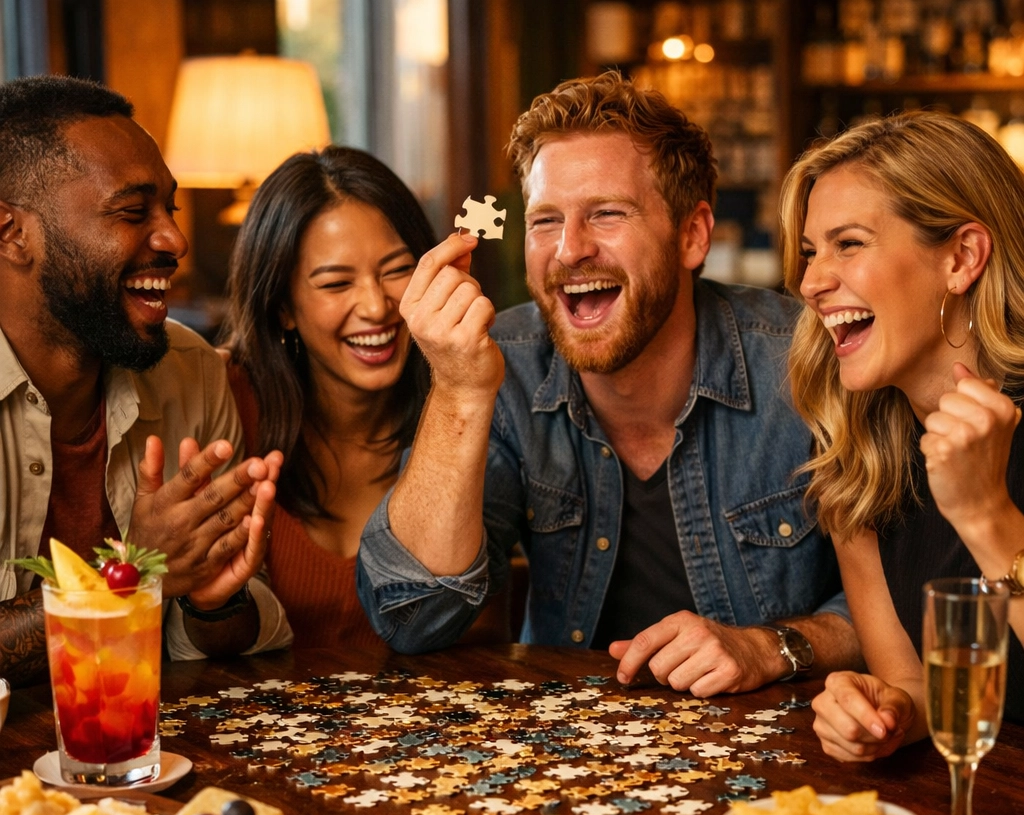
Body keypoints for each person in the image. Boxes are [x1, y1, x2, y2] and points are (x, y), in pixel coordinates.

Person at [357, 71, 861, 695]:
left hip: (778, 742)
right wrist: (459, 392)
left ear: (692, 235)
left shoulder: (808, 360)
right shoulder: (500, 366)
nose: (570, 250)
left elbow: (901, 603)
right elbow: (410, 617)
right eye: (545, 220)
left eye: (607, 213)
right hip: (567, 740)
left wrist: (772, 647)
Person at [0, 75, 292, 686]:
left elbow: (224, 637)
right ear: (12, 234)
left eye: (169, 209)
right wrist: (136, 572)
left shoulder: (190, 371)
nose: (174, 240)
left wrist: (213, 599)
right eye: (133, 212)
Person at [778, 109, 1024, 761]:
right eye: (811, 252)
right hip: (974, 798)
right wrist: (884, 712)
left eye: (849, 244)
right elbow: (917, 686)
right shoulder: (854, 442)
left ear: (962, 258)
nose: (810, 282)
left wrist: (986, 513)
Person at [219, 146, 433, 649]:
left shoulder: (462, 406)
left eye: (397, 270)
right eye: (337, 283)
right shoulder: (223, 400)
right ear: (283, 308)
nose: (376, 306)